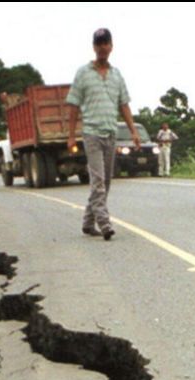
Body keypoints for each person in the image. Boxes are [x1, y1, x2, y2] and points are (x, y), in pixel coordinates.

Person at [67, 28, 141, 241]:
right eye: (98, 44)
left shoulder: (117, 75)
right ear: (94, 47)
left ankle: (88, 222)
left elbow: (124, 105)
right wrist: (71, 136)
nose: (102, 47)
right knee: (98, 180)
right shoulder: (83, 73)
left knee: (106, 181)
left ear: (111, 46)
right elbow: (73, 106)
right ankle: (104, 222)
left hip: (110, 132)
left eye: (105, 43)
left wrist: (134, 131)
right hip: (91, 133)